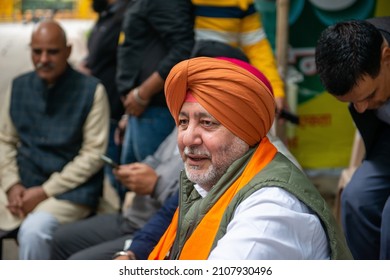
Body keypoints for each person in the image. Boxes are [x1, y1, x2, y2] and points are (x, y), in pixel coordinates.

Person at [147, 57, 352, 260]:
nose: (188, 138)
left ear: (244, 132)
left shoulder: (271, 209)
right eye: (183, 121)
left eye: (207, 123)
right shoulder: (210, 182)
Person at [0, 19, 110, 259]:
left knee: (33, 232)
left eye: (52, 52)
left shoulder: (92, 91)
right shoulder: (19, 86)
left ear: (68, 51)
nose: (43, 59)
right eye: (37, 51)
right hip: (21, 185)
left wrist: (44, 191)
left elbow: (93, 155)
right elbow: (5, 141)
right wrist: (11, 185)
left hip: (69, 193)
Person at [315, 17, 390, 260]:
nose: (361, 109)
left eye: (369, 95)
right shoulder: (356, 46)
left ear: (386, 57)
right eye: (351, 102)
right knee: (357, 199)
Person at [50, 127, 182, 260]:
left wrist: (156, 185)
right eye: (184, 121)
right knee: (59, 238)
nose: (188, 134)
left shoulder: (199, 155)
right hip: (131, 217)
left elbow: (179, 209)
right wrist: (134, 172)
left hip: (150, 228)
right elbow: (155, 160)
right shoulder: (178, 130)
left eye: (203, 122)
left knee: (78, 261)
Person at [115, 0, 194, 174]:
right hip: (140, 110)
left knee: (151, 183)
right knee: (132, 181)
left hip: (155, 109)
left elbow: (182, 49)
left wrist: (143, 93)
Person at [191, 0, 286, 112]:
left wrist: (274, 89)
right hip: (183, 82)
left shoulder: (242, 2)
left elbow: (256, 48)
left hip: (223, 86)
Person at [77, 0, 129, 202]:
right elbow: (99, 55)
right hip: (99, 105)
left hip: (114, 106)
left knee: (115, 171)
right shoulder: (108, 14)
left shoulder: (124, 16)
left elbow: (124, 60)